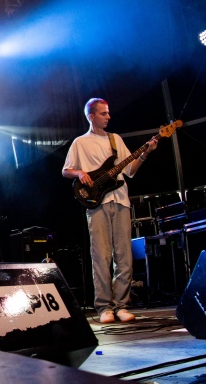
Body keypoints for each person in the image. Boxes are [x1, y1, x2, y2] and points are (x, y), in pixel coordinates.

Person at [62, 98, 158, 323]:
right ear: (91, 116)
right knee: (101, 256)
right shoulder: (80, 142)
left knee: (124, 255)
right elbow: (66, 170)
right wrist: (79, 173)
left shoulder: (116, 140)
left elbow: (130, 171)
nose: (108, 117)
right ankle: (104, 307)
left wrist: (145, 153)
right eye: (104, 113)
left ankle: (122, 305)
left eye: (108, 113)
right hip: (97, 204)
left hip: (121, 201)